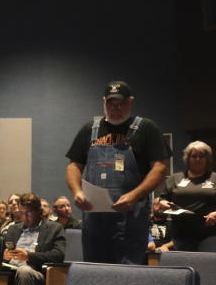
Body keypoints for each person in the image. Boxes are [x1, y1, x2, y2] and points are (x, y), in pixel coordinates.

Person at [66, 81, 171, 264]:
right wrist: (77, 192)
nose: (116, 108)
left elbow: (160, 167)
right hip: (94, 217)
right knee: (94, 268)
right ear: (103, 102)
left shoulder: (146, 128)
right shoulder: (89, 130)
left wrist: (134, 195)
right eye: (111, 103)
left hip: (130, 216)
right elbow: (73, 166)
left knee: (127, 271)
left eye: (121, 103)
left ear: (131, 102)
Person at [154, 141, 216, 252]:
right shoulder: (175, 179)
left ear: (207, 159)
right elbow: (162, 199)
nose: (198, 159)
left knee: (207, 263)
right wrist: (169, 206)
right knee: (185, 264)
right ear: (187, 158)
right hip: (181, 232)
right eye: (194, 156)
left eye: (201, 156)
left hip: (212, 232)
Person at [2, 193, 65, 285]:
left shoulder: (54, 228)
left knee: (24, 271)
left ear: (38, 212)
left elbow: (58, 255)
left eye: (28, 213)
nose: (25, 217)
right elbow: (3, 254)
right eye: (22, 213)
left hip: (36, 272)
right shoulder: (13, 229)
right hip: (11, 271)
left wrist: (28, 256)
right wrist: (5, 257)